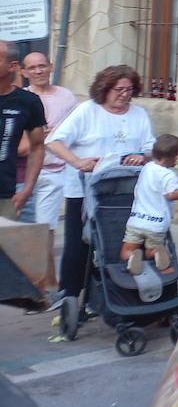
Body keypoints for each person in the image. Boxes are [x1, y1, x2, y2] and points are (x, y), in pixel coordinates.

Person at [46, 65, 156, 317]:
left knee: (120, 242)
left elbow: (150, 147)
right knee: (79, 243)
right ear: (104, 89)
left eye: (129, 90)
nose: (124, 95)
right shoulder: (87, 111)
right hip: (85, 189)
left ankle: (118, 291)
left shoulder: (138, 114)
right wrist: (77, 162)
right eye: (119, 89)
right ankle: (71, 295)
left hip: (124, 189)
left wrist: (142, 156)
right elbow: (53, 141)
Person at [16, 52, 78, 301]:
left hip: (65, 170)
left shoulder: (66, 96)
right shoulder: (22, 100)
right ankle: (45, 283)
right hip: (35, 172)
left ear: (51, 67)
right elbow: (18, 146)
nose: (39, 71)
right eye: (33, 67)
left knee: (58, 229)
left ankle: (58, 283)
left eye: (43, 65)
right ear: (24, 72)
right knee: (38, 231)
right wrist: (38, 137)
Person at [122, 134, 178, 275]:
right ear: (176, 157)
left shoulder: (147, 168)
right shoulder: (168, 176)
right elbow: (171, 195)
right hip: (156, 224)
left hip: (136, 221)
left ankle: (132, 256)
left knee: (126, 250)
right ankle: (156, 254)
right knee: (150, 251)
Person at [0, 41, 47, 223]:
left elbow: (37, 147)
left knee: (8, 249)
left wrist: (27, 189)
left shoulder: (28, 102)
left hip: (6, 193)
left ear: (12, 66)